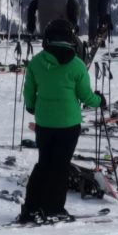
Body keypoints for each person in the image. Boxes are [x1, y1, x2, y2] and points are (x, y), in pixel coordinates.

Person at [19, 19, 105, 223]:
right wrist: (100, 100)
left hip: (45, 123)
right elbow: (86, 96)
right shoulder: (76, 65)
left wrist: (32, 107)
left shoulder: (37, 62)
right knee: (60, 166)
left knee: (44, 164)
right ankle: (53, 208)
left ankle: (31, 207)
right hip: (68, 124)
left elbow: (29, 92)